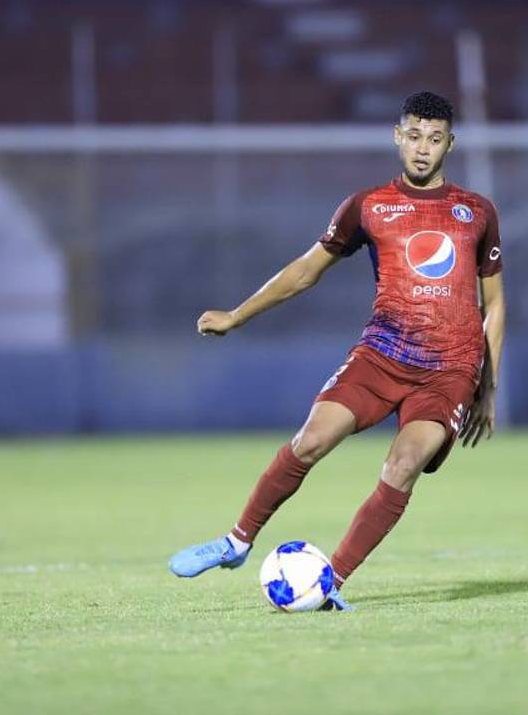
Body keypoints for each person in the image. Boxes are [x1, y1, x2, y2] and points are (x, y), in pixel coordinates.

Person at [168, 91, 504, 610]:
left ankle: (332, 585)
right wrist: (237, 315)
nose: (422, 149)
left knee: (404, 462)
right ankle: (236, 542)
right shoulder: (367, 206)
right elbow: (305, 271)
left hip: (449, 370)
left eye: (434, 139)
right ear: (397, 136)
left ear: (449, 145)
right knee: (311, 440)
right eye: (413, 136)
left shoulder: (476, 213)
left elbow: (495, 304)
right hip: (382, 355)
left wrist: (487, 386)